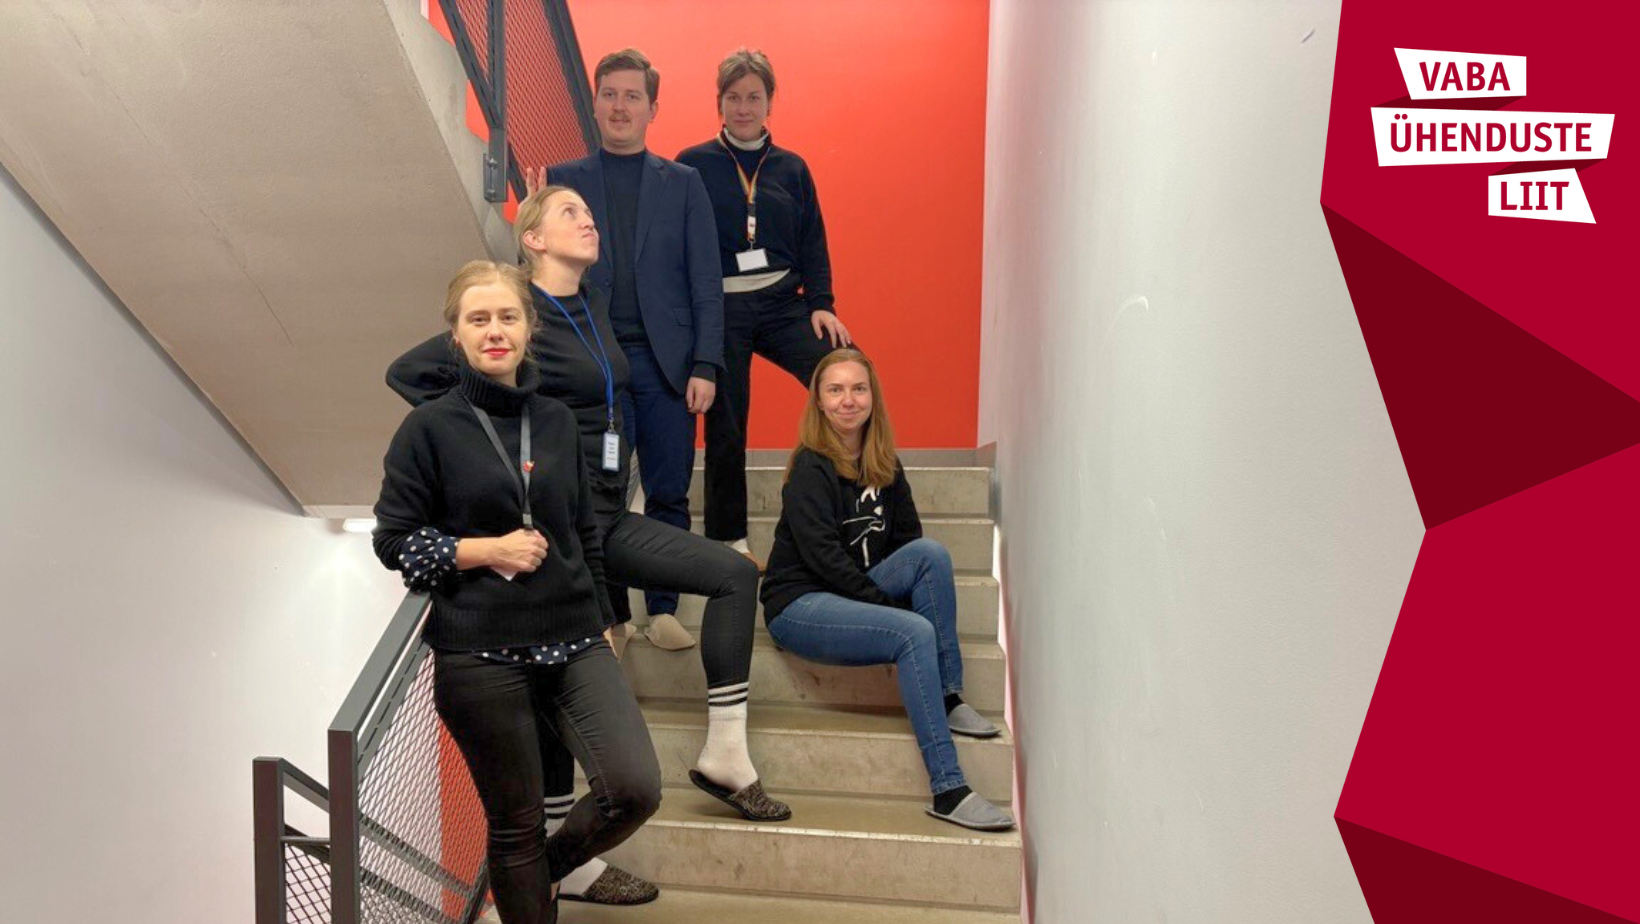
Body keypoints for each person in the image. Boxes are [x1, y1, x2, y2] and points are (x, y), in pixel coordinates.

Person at [390, 190, 790, 854]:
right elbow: (408, 373)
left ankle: (725, 751)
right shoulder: (516, 312)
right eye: (570, 213)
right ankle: (561, 866)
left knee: (732, 574)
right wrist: (483, 437)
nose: (588, 221)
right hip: (555, 527)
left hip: (609, 509)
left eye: (589, 213)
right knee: (547, 686)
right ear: (533, 239)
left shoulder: (593, 302)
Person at [372, 261, 661, 923]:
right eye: (478, 319)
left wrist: (605, 620)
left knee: (634, 789)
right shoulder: (428, 428)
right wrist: (484, 550)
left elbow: (584, 532)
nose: (494, 331)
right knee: (516, 826)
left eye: (507, 317)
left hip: (573, 639)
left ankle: (534, 873)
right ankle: (523, 878)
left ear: (529, 329)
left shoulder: (554, 419)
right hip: (479, 652)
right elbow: (393, 541)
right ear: (455, 336)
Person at [760, 349, 1015, 832]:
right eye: (835, 390)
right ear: (819, 402)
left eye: (858, 389)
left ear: (873, 397)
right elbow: (825, 561)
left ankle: (947, 695)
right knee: (913, 633)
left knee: (931, 554)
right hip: (800, 604)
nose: (848, 400)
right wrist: (891, 611)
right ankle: (949, 789)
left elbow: (906, 540)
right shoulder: (811, 468)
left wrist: (888, 603)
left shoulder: (884, 463)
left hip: (850, 591)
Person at [524, 48, 722, 644]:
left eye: (633, 96)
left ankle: (663, 610)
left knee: (668, 490)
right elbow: (542, 269)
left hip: (668, 367)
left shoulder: (683, 183)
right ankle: (613, 616)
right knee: (599, 493)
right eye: (609, 94)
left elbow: (706, 279)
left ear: (652, 108)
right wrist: (531, 216)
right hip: (595, 363)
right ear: (594, 103)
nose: (620, 106)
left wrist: (706, 363)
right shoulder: (564, 180)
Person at [676, 47, 850, 568]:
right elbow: (677, 240)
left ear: (770, 101)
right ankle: (729, 541)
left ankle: (855, 505)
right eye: (734, 98)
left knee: (845, 374)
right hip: (721, 307)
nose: (744, 108)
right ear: (720, 102)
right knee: (727, 423)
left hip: (781, 302)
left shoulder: (792, 168)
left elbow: (813, 238)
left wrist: (821, 304)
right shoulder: (692, 164)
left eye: (754, 97)